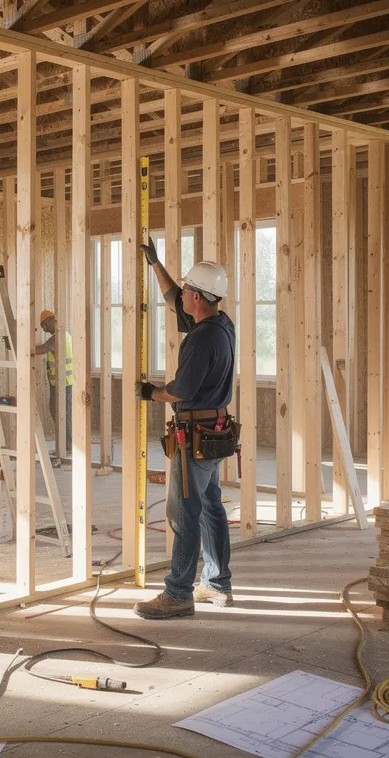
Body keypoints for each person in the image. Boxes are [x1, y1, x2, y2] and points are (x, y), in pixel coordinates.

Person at [133, 239, 237, 619]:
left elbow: (182, 390)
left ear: (197, 296)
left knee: (183, 514)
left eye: (187, 290)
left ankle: (178, 592)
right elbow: (174, 297)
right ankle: (217, 583)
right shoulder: (220, 324)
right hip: (215, 434)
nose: (183, 296)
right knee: (211, 508)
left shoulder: (200, 340)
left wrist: (150, 392)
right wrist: (155, 264)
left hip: (194, 439)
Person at [31, 310, 72, 449]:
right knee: (63, 412)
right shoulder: (64, 334)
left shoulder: (57, 337)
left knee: (59, 412)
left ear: (50, 320)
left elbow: (39, 350)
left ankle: (67, 445)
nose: (44, 328)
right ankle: (68, 444)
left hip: (62, 383)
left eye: (44, 325)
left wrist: (19, 346)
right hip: (63, 382)